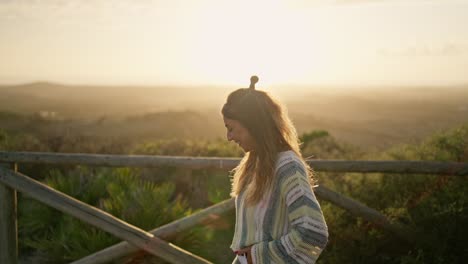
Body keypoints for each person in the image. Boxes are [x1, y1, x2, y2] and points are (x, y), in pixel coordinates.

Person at [222, 76, 329, 264]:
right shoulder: (254, 162)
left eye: (231, 128)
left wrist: (255, 256)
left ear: (254, 126)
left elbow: (312, 231)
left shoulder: (287, 166)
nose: (229, 137)